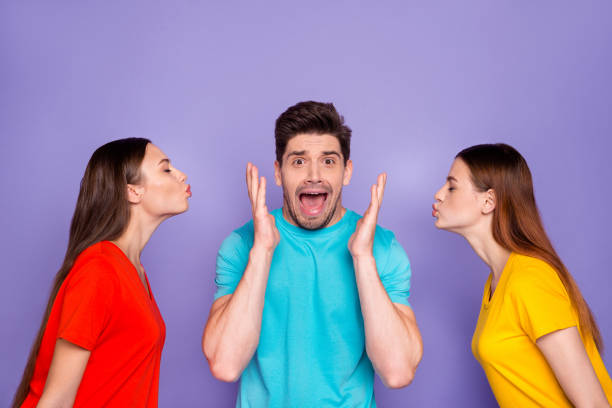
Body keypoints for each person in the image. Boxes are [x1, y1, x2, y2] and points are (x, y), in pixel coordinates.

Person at [202, 101, 423, 407]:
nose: (314, 176)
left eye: (329, 162)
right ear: (278, 173)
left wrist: (363, 257)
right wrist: (262, 251)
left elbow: (397, 372)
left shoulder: (382, 248)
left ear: (347, 171)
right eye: (299, 162)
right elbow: (226, 365)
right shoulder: (242, 245)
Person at [12, 138, 191, 407]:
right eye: (166, 169)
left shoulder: (133, 271)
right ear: (133, 191)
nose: (181, 175)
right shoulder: (100, 270)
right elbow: (57, 400)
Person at [433, 143, 612, 407]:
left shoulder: (529, 279)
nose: (438, 195)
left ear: (488, 201)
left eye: (451, 187)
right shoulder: (497, 282)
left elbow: (594, 404)